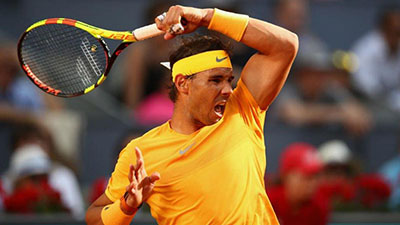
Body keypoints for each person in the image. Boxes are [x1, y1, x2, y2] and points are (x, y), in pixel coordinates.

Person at [86, 5, 298, 225]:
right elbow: (94, 217)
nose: (227, 90)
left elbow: (286, 45)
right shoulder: (141, 152)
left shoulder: (243, 108)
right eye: (215, 80)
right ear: (183, 84)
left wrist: (207, 17)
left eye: (229, 80)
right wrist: (126, 206)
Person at [350, 7, 400, 116]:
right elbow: (367, 90)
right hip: (367, 106)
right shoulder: (364, 51)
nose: (398, 37)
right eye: (396, 32)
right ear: (383, 30)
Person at [267, 142, 329, 225]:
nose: (312, 184)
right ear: (287, 176)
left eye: (315, 177)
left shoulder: (318, 205)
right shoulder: (268, 202)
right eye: (307, 177)